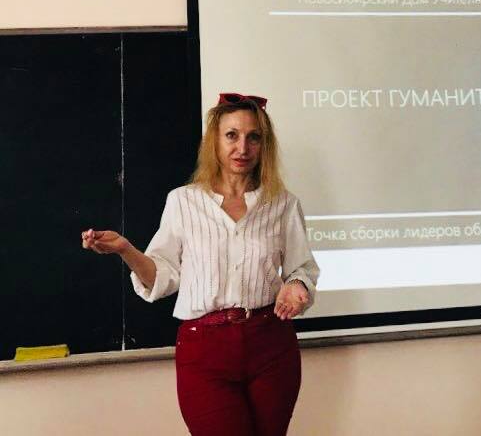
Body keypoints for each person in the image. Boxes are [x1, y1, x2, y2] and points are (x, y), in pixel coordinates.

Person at [81, 92, 319, 436]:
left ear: (264, 145)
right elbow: (163, 276)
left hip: (271, 344)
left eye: (254, 137)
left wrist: (297, 286)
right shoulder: (183, 201)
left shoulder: (283, 204)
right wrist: (125, 250)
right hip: (204, 348)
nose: (242, 148)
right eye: (232, 135)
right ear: (214, 141)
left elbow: (302, 268)